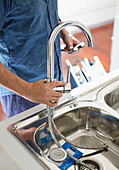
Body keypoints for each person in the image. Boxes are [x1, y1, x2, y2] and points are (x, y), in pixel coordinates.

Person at [0, 0, 79, 118]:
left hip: (54, 79)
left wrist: (64, 32)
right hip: (24, 92)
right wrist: (27, 89)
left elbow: (41, 12)